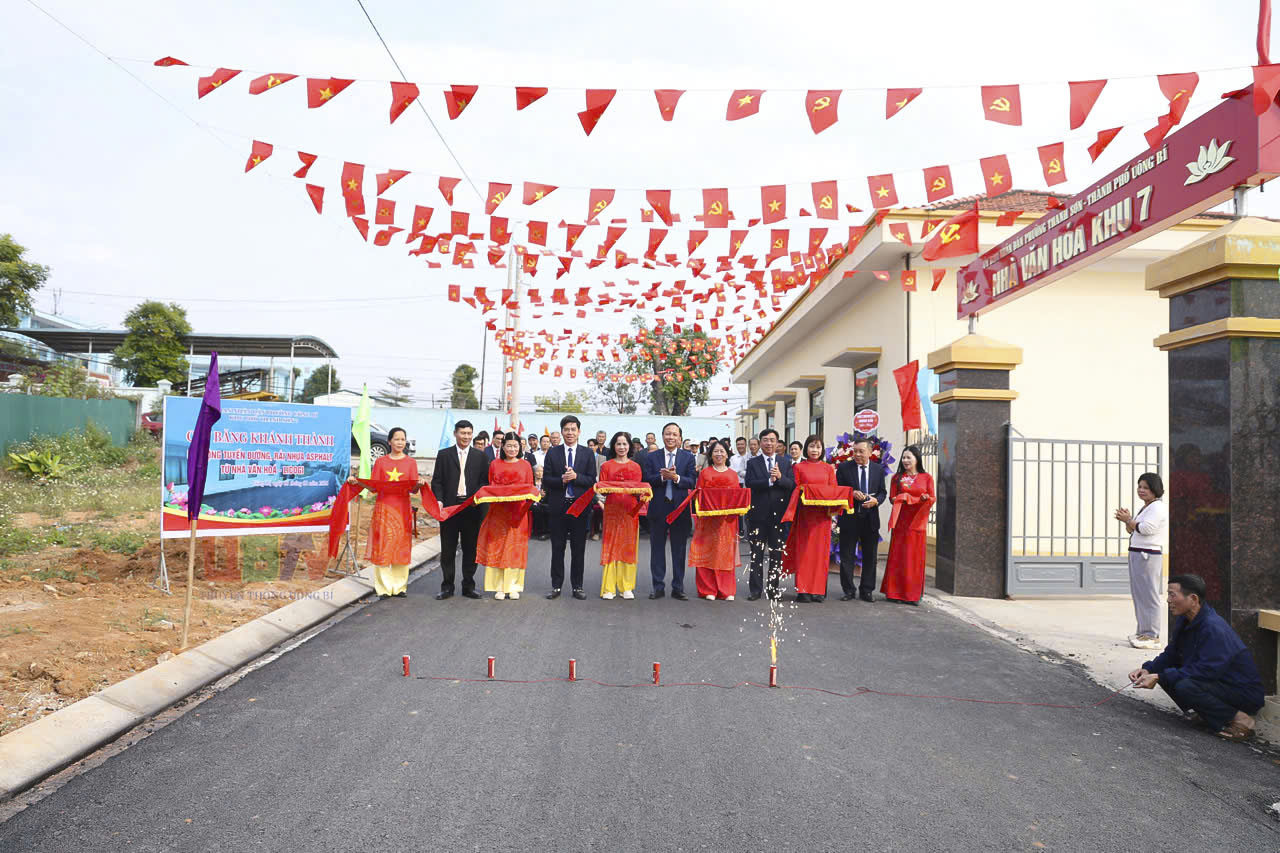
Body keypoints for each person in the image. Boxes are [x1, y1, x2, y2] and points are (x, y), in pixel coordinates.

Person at [1129, 574, 1265, 742]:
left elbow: (1206, 671)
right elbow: (1172, 653)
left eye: (1172, 594)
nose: (1168, 600)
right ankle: (1205, 713)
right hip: (1216, 684)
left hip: (1242, 692)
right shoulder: (1185, 620)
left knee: (1182, 684)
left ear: (1193, 599)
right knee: (1165, 673)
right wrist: (1148, 669)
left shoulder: (1213, 628)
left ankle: (1242, 719)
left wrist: (1159, 676)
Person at [347, 427, 417, 598]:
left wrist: (420, 484)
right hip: (384, 508)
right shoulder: (380, 462)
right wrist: (358, 482)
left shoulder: (411, 463)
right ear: (389, 441)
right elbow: (374, 487)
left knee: (401, 546)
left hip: (402, 509)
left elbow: (413, 489)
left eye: (403, 439)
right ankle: (384, 588)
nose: (400, 442)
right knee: (383, 545)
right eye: (397, 439)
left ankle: (399, 587)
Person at [430, 419, 490, 599]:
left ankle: (468, 586)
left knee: (470, 549)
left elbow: (484, 482)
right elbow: (437, 481)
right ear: (455, 434)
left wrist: (477, 498)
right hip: (449, 509)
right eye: (462, 433)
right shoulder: (444, 455)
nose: (466, 436)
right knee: (448, 549)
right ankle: (447, 586)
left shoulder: (480, 457)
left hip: (471, 509)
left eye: (469, 433)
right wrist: (439, 500)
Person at [541, 415, 597, 599]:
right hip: (558, 508)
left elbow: (591, 480)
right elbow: (546, 479)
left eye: (573, 429)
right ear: (562, 432)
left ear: (579, 432)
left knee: (578, 549)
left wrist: (576, 477)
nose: (570, 433)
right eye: (566, 429)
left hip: (580, 508)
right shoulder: (553, 453)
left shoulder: (587, 453)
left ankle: (577, 587)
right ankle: (556, 586)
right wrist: (561, 480)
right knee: (557, 548)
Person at [477, 432, 535, 600]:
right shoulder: (495, 464)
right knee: (498, 546)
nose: (512, 449)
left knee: (515, 548)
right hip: (498, 512)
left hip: (519, 512)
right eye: (509, 445)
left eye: (515, 446)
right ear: (502, 447)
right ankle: (499, 587)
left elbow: (530, 487)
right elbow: (491, 486)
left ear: (520, 447)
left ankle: (514, 586)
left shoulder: (525, 465)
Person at [643, 422, 697, 600]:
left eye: (674, 434)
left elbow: (692, 481)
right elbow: (646, 479)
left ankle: (678, 587)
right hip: (658, 508)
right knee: (657, 549)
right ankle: (658, 587)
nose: (671, 437)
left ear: (680, 438)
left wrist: (676, 477)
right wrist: (662, 476)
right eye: (668, 433)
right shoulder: (652, 457)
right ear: (662, 436)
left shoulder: (688, 457)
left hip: (679, 509)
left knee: (679, 550)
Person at [1115, 472, 1169, 650]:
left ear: (1155, 489)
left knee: (1148, 595)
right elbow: (1133, 530)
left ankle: (1152, 635)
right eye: (1139, 486)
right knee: (1139, 595)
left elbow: (1147, 529)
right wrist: (1128, 521)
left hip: (1147, 555)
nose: (1141, 490)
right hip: (1138, 553)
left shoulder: (1157, 508)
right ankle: (1143, 632)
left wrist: (1129, 520)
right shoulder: (1147, 507)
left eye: (1146, 487)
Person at [782, 435, 839, 603]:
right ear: (806, 448)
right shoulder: (798, 467)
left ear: (822, 450)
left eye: (818, 447)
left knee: (821, 553)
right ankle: (803, 590)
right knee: (804, 552)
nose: (815, 450)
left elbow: (834, 490)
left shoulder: (828, 468)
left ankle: (818, 590)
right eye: (812, 446)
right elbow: (794, 489)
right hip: (805, 516)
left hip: (823, 517)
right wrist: (804, 491)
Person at [744, 429, 795, 601]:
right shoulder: (753, 463)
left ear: (778, 443)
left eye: (772, 440)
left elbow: (792, 485)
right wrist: (768, 481)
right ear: (760, 443)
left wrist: (780, 477)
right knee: (756, 554)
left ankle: (773, 590)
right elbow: (749, 483)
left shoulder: (785, 463)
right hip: (757, 516)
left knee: (776, 555)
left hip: (778, 517)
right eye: (765, 440)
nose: (769, 443)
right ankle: (755, 590)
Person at [881, 445, 934, 605]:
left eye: (908, 457)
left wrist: (923, 499)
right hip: (901, 521)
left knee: (914, 558)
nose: (905, 460)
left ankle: (912, 595)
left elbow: (932, 497)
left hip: (917, 522)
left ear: (917, 459)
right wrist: (901, 498)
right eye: (903, 457)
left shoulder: (927, 478)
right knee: (898, 556)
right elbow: (892, 498)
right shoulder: (897, 478)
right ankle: (894, 593)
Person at [836, 438, 887, 602]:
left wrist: (876, 501)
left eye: (861, 451)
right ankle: (848, 590)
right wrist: (851, 493)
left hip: (870, 518)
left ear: (870, 452)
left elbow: (882, 492)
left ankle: (867, 590)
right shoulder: (844, 468)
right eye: (855, 451)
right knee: (847, 556)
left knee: (870, 556)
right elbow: (837, 489)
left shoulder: (878, 470)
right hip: (849, 518)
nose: (857, 454)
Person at [690, 440, 741, 601]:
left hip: (727, 522)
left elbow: (737, 497)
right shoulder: (705, 473)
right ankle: (708, 589)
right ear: (710, 455)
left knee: (725, 554)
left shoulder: (733, 475)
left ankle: (726, 589)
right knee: (707, 552)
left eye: (722, 451)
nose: (719, 454)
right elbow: (698, 495)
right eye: (716, 451)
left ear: (727, 454)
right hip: (708, 521)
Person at [597, 432, 645, 600]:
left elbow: (638, 490)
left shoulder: (636, 467)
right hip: (611, 510)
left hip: (630, 511)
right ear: (614, 446)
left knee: (628, 547)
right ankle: (609, 587)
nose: (622, 447)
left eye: (625, 444)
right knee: (610, 546)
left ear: (629, 446)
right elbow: (602, 490)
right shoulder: (606, 466)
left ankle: (626, 587)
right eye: (618, 444)